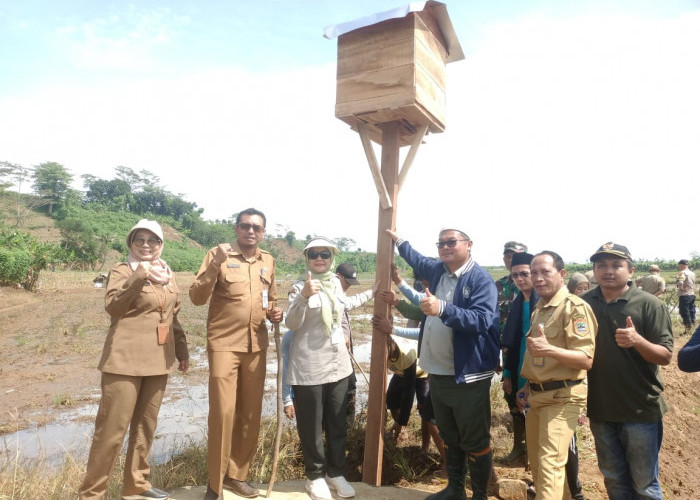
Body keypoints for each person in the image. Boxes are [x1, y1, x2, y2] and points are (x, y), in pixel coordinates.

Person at [386, 226, 500, 500]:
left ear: (469, 244)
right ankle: (455, 489)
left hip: (466, 375)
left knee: (474, 439)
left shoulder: (480, 279)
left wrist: (443, 309)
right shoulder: (438, 270)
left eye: (452, 242)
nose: (445, 248)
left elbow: (482, 320)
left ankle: (480, 495)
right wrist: (399, 240)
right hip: (438, 371)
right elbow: (417, 259)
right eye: (441, 244)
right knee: (450, 435)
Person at [79, 219, 189, 500]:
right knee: (111, 432)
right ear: (131, 244)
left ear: (161, 245)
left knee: (145, 427)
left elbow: (172, 315)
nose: (145, 245)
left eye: (152, 240)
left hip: (158, 360)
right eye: (139, 240)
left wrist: (182, 351)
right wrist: (138, 276)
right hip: (124, 361)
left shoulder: (168, 274)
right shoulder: (121, 270)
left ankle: (136, 485)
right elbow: (113, 306)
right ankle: (92, 493)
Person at [189, 208, 284, 500]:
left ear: (263, 232)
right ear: (236, 228)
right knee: (223, 412)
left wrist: (275, 313)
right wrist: (216, 263)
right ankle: (215, 484)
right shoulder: (218, 255)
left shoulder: (268, 260)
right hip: (224, 345)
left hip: (256, 346)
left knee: (250, 413)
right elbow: (196, 297)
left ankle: (236, 476)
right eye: (245, 226)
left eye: (256, 227)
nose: (250, 231)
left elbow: (271, 299)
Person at [581, 242, 673, 500]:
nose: (608, 271)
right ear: (594, 270)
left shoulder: (649, 304)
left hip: (640, 410)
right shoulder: (584, 304)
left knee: (645, 485)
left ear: (630, 270)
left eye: (616, 265)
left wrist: (638, 341)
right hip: (600, 410)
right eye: (601, 265)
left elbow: (665, 356)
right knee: (614, 481)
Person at [516, 251, 597, 500]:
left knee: (550, 463)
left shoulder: (574, 308)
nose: (538, 278)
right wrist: (528, 385)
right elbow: (538, 357)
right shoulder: (539, 308)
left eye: (545, 272)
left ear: (561, 274)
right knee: (541, 468)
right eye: (534, 273)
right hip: (538, 396)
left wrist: (549, 349)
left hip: (563, 397)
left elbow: (586, 359)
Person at [285, 237, 357, 500]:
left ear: (332, 258)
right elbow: (291, 323)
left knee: (337, 422)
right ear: (307, 258)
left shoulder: (336, 284)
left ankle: (335, 473)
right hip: (308, 367)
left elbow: (344, 309)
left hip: (338, 365)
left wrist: (375, 292)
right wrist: (304, 296)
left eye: (324, 254)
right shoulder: (297, 287)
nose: (319, 258)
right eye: (313, 254)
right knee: (312, 425)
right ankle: (314, 476)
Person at [499, 252, 536, 465]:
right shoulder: (518, 302)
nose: (520, 279)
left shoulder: (544, 303)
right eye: (515, 276)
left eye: (524, 274)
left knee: (538, 419)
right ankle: (524, 455)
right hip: (520, 366)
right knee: (520, 411)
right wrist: (507, 373)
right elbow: (511, 342)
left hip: (540, 371)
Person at [335, 262, 375, 420]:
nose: (348, 287)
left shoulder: (340, 294)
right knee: (339, 386)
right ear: (338, 276)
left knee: (350, 384)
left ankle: (348, 422)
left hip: (345, 351)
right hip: (334, 352)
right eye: (347, 282)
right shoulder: (330, 291)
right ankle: (339, 422)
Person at [495, 241, 528, 335]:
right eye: (508, 256)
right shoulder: (498, 285)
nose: (510, 260)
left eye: (514, 256)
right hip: (503, 343)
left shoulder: (535, 285)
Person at [676, 259, 696, 332]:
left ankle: (688, 329)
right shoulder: (692, 273)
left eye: (679, 266)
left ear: (681, 265)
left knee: (684, 312)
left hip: (684, 295)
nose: (679, 267)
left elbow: (680, 282)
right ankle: (693, 326)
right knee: (692, 311)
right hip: (692, 294)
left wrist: (680, 287)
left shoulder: (682, 273)